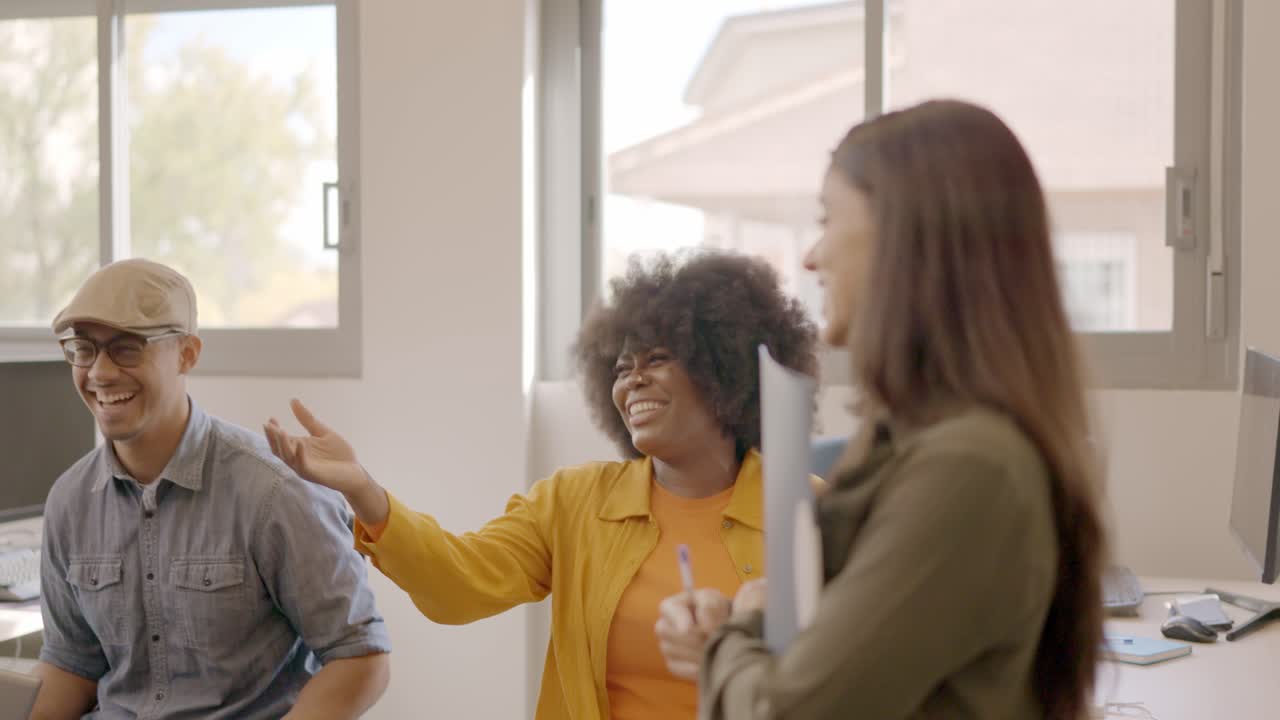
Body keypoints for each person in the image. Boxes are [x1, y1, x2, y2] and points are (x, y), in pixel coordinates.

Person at [656, 99, 1107, 719]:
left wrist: (730, 638)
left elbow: (786, 714)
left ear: (907, 235)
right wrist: (751, 623)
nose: (812, 257)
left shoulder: (968, 471)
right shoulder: (913, 437)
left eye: (827, 219)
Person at [262, 251, 818, 720]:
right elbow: (459, 586)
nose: (633, 380)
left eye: (659, 359)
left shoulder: (810, 510)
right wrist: (364, 489)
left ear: (724, 373)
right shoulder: (575, 503)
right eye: (622, 368)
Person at [32, 259, 391, 720]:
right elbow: (71, 665)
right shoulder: (70, 501)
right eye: (83, 348)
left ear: (188, 354)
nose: (99, 373)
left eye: (126, 348)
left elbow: (360, 658)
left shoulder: (274, 491)